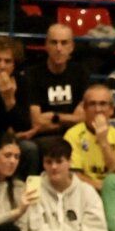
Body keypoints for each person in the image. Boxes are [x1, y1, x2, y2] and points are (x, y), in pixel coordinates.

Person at [22, 24, 89, 152]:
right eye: (54, 42)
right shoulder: (32, 74)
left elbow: (83, 119)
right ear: (46, 45)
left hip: (75, 136)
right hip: (44, 138)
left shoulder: (80, 73)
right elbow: (37, 123)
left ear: (72, 47)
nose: (59, 48)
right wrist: (69, 120)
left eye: (64, 43)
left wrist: (55, 116)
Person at [62, 83, 115, 190]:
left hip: (113, 192)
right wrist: (99, 187)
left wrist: (103, 141)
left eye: (103, 104)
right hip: (83, 191)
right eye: (92, 104)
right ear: (84, 109)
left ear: (111, 109)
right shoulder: (72, 135)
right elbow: (73, 175)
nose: (98, 109)